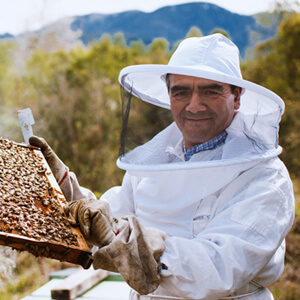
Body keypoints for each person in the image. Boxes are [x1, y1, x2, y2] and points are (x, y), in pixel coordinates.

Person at [30, 34, 295, 299]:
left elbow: (219, 269)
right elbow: (109, 222)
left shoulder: (265, 177)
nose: (194, 105)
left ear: (236, 96)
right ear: (169, 96)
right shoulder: (154, 163)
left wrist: (131, 244)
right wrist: (64, 188)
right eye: (180, 91)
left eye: (210, 90)